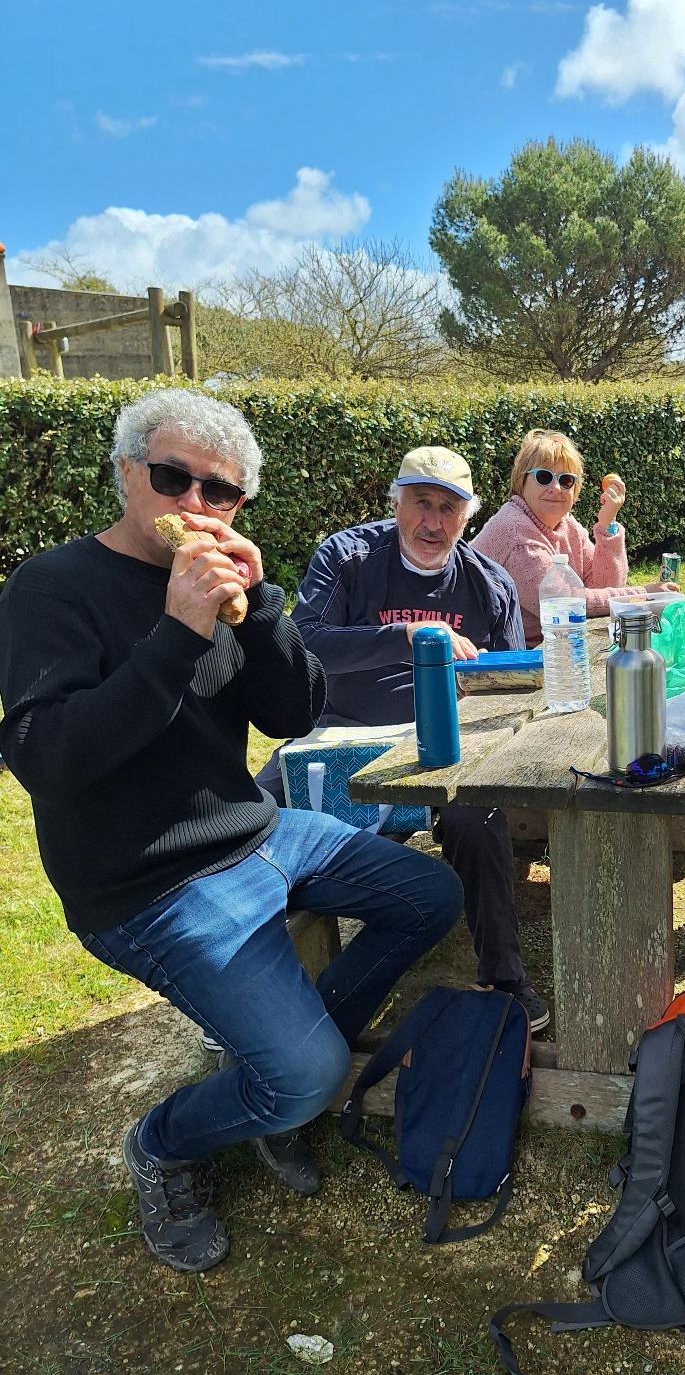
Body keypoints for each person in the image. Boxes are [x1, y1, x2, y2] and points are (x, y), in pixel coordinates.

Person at [0, 391, 463, 1273]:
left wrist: (266, 605)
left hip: (255, 831)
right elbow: (48, 759)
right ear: (128, 471)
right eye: (174, 478)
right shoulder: (52, 589)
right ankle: (167, 1143)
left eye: (221, 493)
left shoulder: (226, 581)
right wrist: (177, 632)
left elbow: (293, 712)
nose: (194, 507)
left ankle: (278, 1081)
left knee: (430, 893)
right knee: (305, 1076)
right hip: (143, 883)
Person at [256, 444, 550, 1033]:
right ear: (396, 502)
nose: (433, 523)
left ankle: (504, 972)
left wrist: (497, 682)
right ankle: (254, 986)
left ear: (468, 516)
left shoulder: (488, 581)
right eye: (421, 503)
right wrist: (408, 636)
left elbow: (513, 676)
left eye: (449, 508)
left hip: (441, 735)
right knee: (248, 817)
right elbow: (303, 641)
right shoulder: (347, 557)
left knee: (479, 816)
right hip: (336, 731)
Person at [470, 427, 678, 644]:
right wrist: (641, 595)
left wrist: (607, 524)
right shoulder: (516, 533)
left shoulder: (567, 525)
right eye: (544, 477)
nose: (556, 487)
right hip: (495, 657)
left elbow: (604, 586)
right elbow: (564, 604)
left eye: (566, 480)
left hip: (547, 645)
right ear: (521, 482)